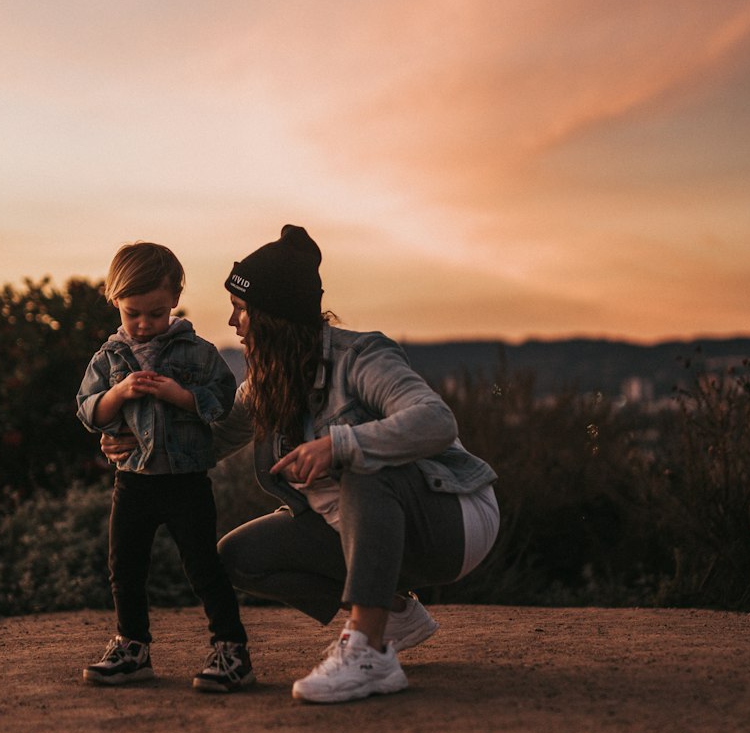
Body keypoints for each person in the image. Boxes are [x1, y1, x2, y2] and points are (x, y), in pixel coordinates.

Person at [104, 224, 499, 704]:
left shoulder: (360, 356)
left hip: (452, 522)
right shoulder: (265, 384)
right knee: (239, 557)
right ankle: (393, 612)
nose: (233, 324)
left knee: (362, 464)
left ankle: (368, 652)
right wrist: (138, 444)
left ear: (273, 317)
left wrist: (339, 444)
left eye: (241, 310)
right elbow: (208, 443)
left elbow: (436, 421)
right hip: (364, 533)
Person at [76, 241, 252, 693]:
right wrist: (118, 394)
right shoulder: (109, 358)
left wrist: (180, 396)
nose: (143, 324)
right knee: (125, 567)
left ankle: (232, 650)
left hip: (185, 482)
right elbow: (88, 410)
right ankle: (132, 648)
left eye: (155, 313)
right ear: (115, 301)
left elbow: (222, 404)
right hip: (132, 482)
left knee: (202, 567)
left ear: (174, 298)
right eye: (132, 312)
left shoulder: (198, 353)